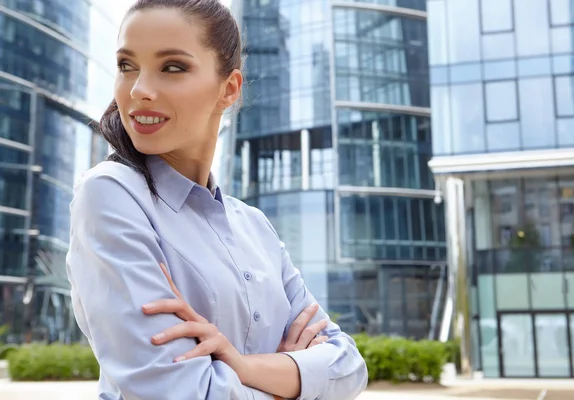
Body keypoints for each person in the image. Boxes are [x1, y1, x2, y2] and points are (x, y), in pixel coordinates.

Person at [65, 0, 368, 399]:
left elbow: (348, 368)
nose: (139, 89)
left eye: (172, 67)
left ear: (229, 89)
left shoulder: (254, 225)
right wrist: (294, 379)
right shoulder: (110, 194)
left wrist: (240, 366)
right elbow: (175, 391)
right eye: (126, 65)